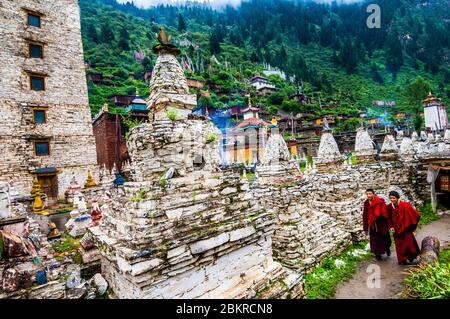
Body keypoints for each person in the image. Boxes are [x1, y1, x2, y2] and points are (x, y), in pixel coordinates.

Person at [386, 191, 421, 265]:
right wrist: (391, 226)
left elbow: (416, 214)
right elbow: (388, 218)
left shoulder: (405, 205)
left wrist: (411, 224)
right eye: (390, 198)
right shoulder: (389, 207)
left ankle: (411, 257)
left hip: (406, 228)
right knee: (399, 245)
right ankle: (402, 259)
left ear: (397, 198)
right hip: (396, 229)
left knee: (408, 244)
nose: (392, 199)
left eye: (393, 198)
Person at [363, 189, 391, 261]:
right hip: (372, 225)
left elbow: (384, 213)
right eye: (367, 194)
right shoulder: (366, 203)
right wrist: (365, 227)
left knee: (384, 238)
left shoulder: (379, 201)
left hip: (381, 224)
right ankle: (377, 255)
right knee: (374, 240)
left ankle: (387, 249)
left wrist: (388, 224)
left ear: (373, 194)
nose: (368, 195)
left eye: (370, 194)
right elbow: (365, 214)